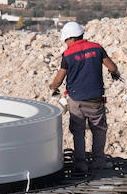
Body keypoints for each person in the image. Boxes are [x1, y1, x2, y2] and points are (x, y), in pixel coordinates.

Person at [47, 21, 120, 170]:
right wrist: (114, 73)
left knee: (78, 131)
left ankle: (80, 163)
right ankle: (99, 160)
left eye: (66, 40)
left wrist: (52, 87)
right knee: (99, 129)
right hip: (96, 99)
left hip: (76, 100)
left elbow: (59, 79)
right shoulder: (97, 48)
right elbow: (112, 67)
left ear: (72, 38)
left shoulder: (68, 55)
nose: (66, 43)